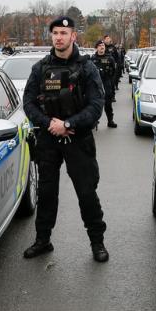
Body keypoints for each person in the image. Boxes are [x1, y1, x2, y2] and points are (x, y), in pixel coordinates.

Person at [22, 15, 109, 262]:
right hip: (49, 139)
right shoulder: (40, 69)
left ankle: (97, 242)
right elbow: (28, 103)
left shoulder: (86, 68)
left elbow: (96, 105)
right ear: (51, 36)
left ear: (73, 36)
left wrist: (69, 124)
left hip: (78, 138)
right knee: (46, 192)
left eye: (64, 33)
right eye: (55, 33)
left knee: (86, 192)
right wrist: (50, 123)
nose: (59, 37)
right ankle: (42, 240)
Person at [92, 39, 117, 128]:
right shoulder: (92, 59)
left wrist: (110, 82)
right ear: (96, 48)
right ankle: (94, 121)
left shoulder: (110, 58)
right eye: (100, 46)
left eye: (103, 46)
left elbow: (114, 71)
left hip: (106, 83)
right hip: (95, 85)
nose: (102, 47)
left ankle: (110, 121)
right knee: (94, 104)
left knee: (108, 103)